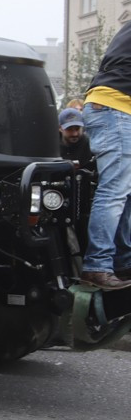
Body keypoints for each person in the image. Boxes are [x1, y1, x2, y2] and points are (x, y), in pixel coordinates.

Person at [79, 20, 131, 290]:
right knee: (114, 191)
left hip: (112, 108)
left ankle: (124, 262)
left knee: (125, 193)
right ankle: (97, 265)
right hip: (115, 108)